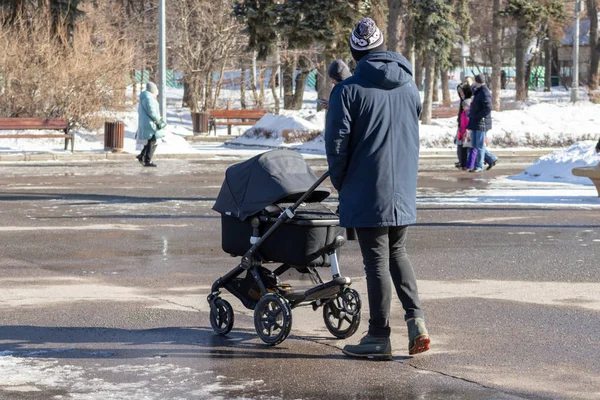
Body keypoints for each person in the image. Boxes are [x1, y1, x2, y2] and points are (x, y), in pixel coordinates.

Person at [325, 17, 430, 360]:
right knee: (397, 253)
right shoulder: (410, 87)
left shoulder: (346, 91)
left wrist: (343, 185)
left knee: (375, 263)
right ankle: (416, 322)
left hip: (367, 189)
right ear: (384, 48)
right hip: (402, 189)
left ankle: (379, 336)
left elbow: (336, 145)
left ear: (355, 52)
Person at [466, 74, 497, 172]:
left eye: (475, 81)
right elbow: (471, 92)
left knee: (479, 146)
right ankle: (491, 158)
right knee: (475, 144)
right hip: (475, 121)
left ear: (477, 81)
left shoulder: (484, 91)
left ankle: (479, 166)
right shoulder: (478, 90)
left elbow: (488, 107)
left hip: (481, 122)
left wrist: (478, 115)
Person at [136, 82, 167, 167]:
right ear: (153, 90)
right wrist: (159, 121)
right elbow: (152, 112)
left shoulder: (144, 98)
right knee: (153, 141)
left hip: (146, 122)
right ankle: (147, 160)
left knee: (151, 141)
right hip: (151, 123)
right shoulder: (149, 99)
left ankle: (142, 156)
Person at [457, 98, 472, 170]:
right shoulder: (463, 113)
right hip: (463, 132)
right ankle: (463, 164)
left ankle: (468, 164)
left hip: (468, 133)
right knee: (463, 149)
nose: (463, 107)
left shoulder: (469, 113)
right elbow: (461, 124)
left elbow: (469, 123)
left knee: (468, 149)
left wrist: (467, 131)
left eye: (465, 106)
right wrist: (460, 132)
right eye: (463, 106)